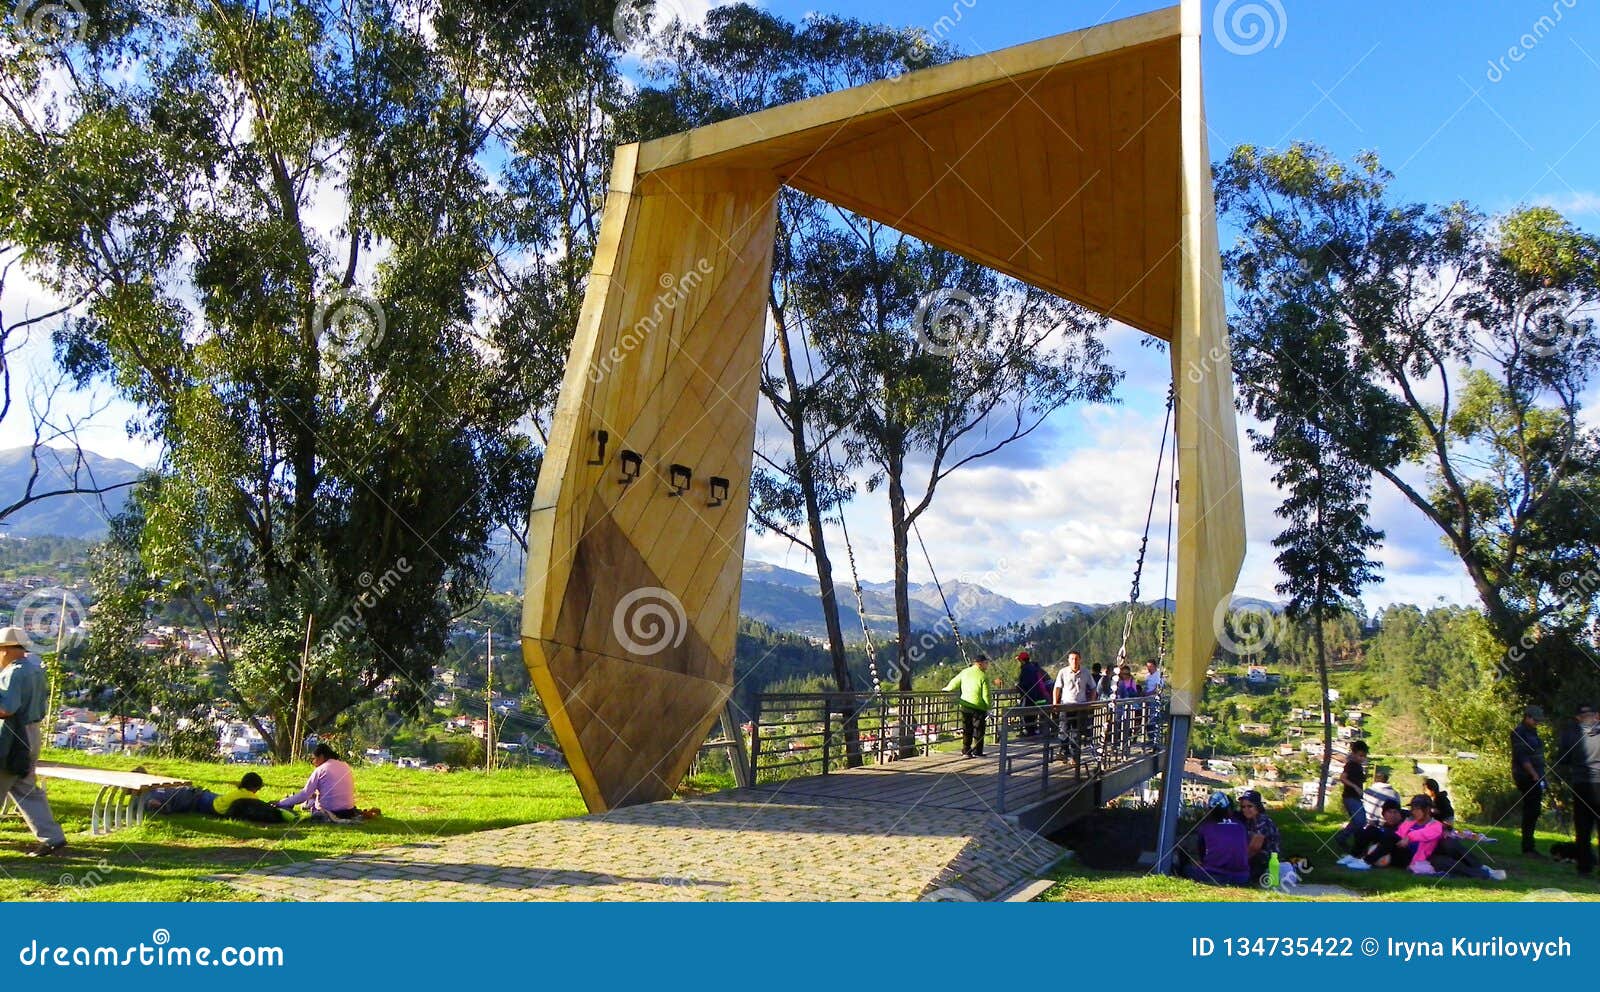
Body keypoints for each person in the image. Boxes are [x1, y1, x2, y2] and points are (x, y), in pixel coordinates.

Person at [0, 627, 68, 857]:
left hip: (12, 735)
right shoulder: (35, 669)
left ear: (7, 650)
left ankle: (52, 837)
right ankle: (52, 837)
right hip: (32, 733)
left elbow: (6, 709)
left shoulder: (13, 673)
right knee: (25, 787)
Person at [1397, 794, 1505, 880]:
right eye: (1413, 808)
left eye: (1417, 809)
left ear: (1427, 809)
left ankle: (1481, 869)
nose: (1413, 811)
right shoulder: (1408, 823)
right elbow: (1397, 836)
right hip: (1416, 858)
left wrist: (1409, 837)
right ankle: (1480, 872)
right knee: (1444, 861)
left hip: (1431, 853)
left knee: (1449, 845)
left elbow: (1428, 834)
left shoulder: (1435, 825)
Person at [275, 743, 373, 822]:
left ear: (321, 756)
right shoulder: (345, 765)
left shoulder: (321, 769)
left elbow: (304, 795)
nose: (313, 762)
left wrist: (280, 803)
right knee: (311, 800)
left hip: (330, 811)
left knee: (307, 803)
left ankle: (287, 801)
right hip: (348, 810)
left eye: (313, 759)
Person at [1557, 703, 1600, 877]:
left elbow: (1563, 759)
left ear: (1577, 718)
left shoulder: (1569, 735)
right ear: (1596, 716)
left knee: (1582, 827)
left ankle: (1584, 867)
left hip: (1580, 783)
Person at [1178, 792, 1252, 885]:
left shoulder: (1206, 827)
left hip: (1214, 874)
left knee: (1187, 869)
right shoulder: (1241, 825)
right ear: (1229, 808)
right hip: (1242, 877)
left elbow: (1202, 852)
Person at [1511, 705, 1546, 855]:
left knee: (1535, 810)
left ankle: (1530, 845)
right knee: (1531, 810)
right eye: (1535, 719)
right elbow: (1522, 756)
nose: (1537, 722)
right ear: (1527, 717)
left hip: (1537, 774)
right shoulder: (1519, 732)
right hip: (1526, 776)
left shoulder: (1533, 732)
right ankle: (1528, 847)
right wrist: (1533, 773)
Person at [943, 656, 992, 758]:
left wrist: (946, 689)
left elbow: (954, 683)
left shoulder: (965, 672)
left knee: (967, 728)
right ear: (980, 663)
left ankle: (966, 750)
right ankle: (978, 751)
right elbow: (986, 695)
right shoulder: (983, 676)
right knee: (978, 729)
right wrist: (988, 707)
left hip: (965, 705)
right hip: (979, 707)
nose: (987, 665)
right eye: (986, 663)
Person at [1339, 800, 1411, 870]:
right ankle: (1354, 856)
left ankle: (1367, 862)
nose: (1392, 815)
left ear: (1399, 814)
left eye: (1395, 812)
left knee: (1390, 836)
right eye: (1389, 812)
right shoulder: (1385, 825)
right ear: (1384, 814)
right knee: (1370, 829)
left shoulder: (1406, 822)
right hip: (1387, 851)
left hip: (1401, 854)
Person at [1052, 651, 1095, 758]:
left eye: (1076, 659)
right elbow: (1057, 688)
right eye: (1072, 659)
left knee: (1076, 732)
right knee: (1063, 729)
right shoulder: (1063, 672)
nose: (1074, 661)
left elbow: (1093, 687)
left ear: (1080, 659)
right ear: (1068, 660)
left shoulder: (1085, 672)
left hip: (1080, 706)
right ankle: (1063, 751)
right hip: (1066, 705)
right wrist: (1055, 703)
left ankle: (1075, 756)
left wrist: (1091, 702)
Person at [1333, 740, 1370, 851]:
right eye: (1360, 755)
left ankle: (1357, 846)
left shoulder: (1358, 766)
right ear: (1354, 754)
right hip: (1350, 796)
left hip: (1355, 797)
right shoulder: (1351, 765)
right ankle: (1342, 836)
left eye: (1364, 756)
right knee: (1360, 820)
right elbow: (1343, 778)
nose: (1362, 758)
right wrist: (1355, 787)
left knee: (1357, 822)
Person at [1237, 789, 1280, 882]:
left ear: (1258, 807)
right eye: (1243, 807)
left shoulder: (1263, 821)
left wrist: (1239, 862)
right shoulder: (1249, 821)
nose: (1245, 809)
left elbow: (1254, 848)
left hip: (1265, 860)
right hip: (1254, 857)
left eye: (1250, 806)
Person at [1015, 651, 1050, 738]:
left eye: (1019, 660)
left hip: (1028, 695)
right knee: (1033, 713)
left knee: (1027, 714)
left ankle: (1030, 732)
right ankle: (1033, 731)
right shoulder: (1033, 668)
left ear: (1022, 660)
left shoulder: (1026, 669)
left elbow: (1025, 683)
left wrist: (1018, 686)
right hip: (1037, 695)